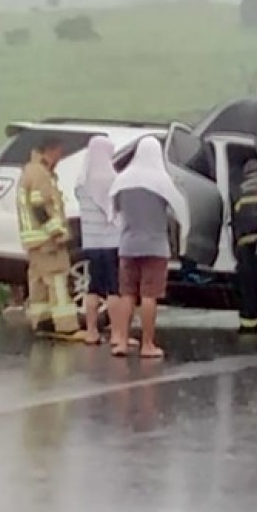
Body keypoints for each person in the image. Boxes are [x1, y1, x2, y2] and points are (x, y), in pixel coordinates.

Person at [109, 135, 185, 360]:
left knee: (127, 294)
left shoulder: (123, 180)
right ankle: (147, 344)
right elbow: (180, 209)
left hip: (128, 245)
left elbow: (112, 210)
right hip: (155, 245)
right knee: (149, 296)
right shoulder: (161, 181)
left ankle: (121, 341)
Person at [16, 136, 82, 340]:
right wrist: (58, 232)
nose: (61, 157)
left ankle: (43, 321)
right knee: (58, 280)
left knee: (38, 281)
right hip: (47, 241)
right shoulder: (40, 174)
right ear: (51, 150)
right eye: (60, 152)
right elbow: (39, 206)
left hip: (33, 240)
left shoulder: (30, 171)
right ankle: (66, 326)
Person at [75, 135, 129, 351]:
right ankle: (116, 333)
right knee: (113, 288)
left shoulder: (81, 181)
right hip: (110, 240)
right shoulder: (111, 179)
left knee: (93, 286)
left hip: (90, 241)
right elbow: (117, 209)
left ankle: (91, 331)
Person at [232, 157, 257, 334]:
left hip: (245, 247)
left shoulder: (238, 191)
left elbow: (234, 222)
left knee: (249, 289)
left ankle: (248, 326)